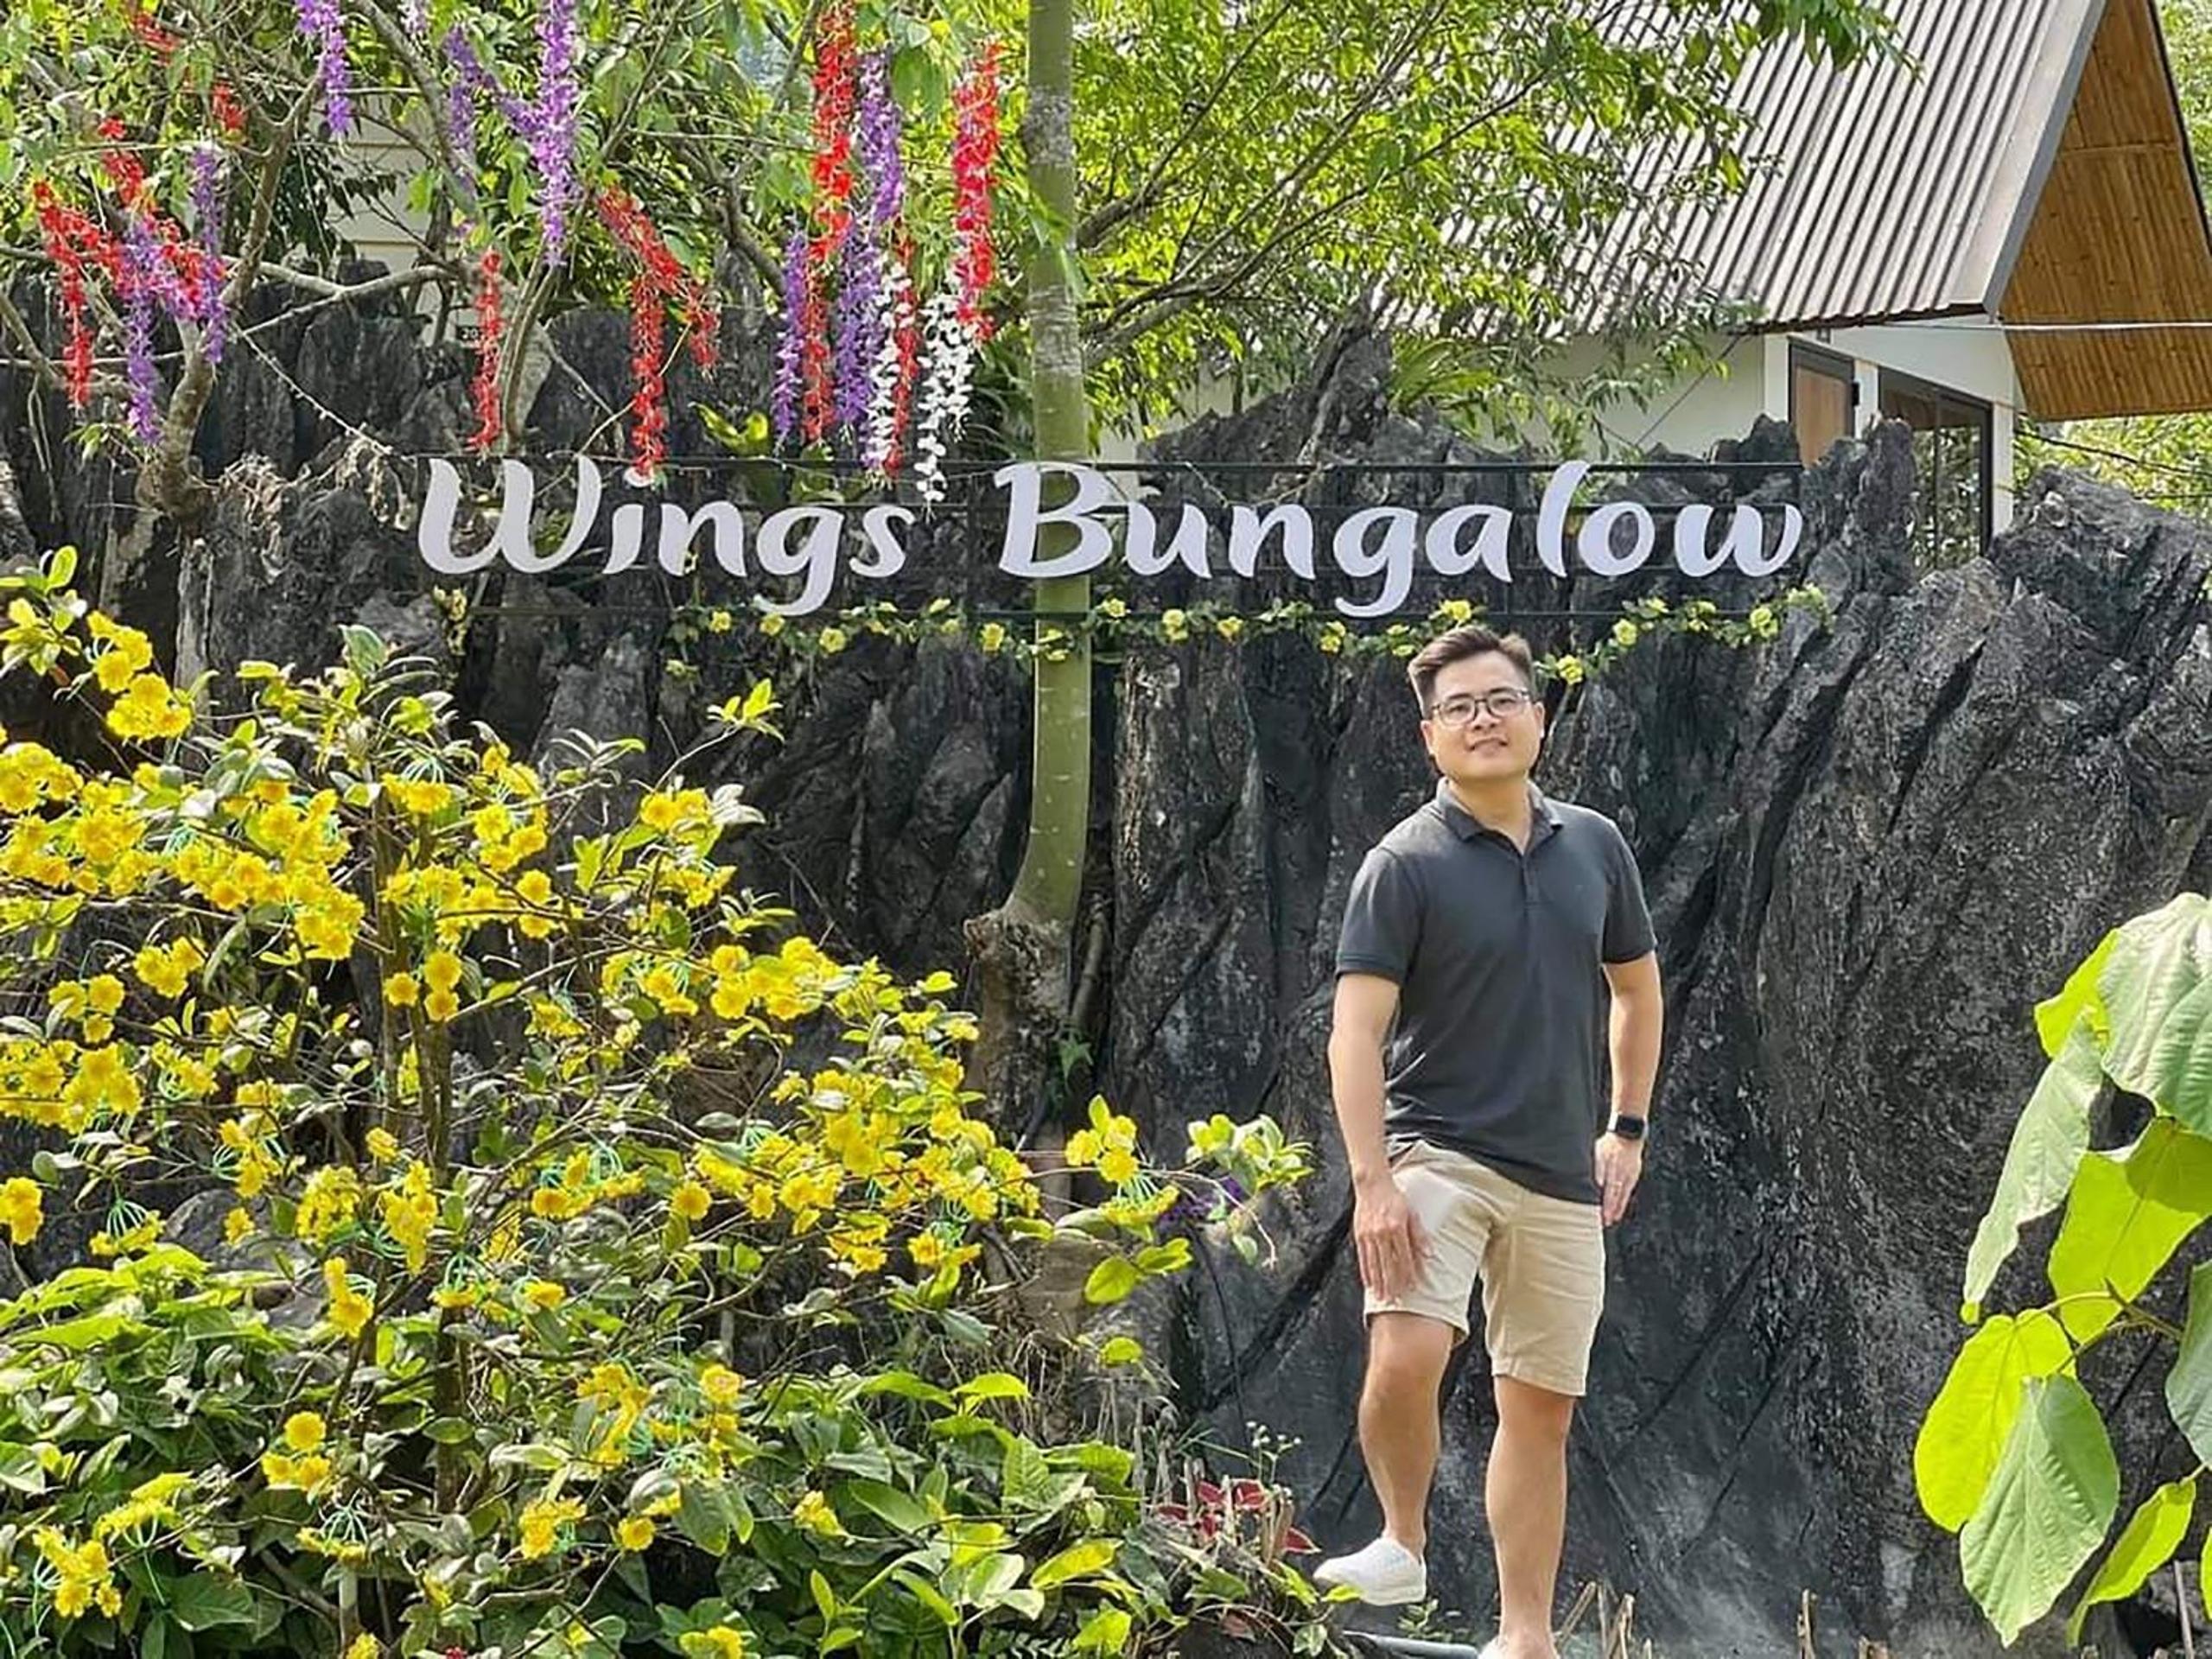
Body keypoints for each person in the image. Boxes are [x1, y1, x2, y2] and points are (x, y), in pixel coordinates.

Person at [1313, 624, 1664, 1659]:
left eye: (1501, 700)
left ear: (1538, 718)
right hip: (1437, 1152)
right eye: (1459, 708)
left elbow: (1636, 991)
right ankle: (1402, 1539)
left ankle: (1525, 1637)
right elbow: (1353, 1034)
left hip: (1560, 1177)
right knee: (1407, 1346)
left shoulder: (1594, 845)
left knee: (1540, 1409)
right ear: (1430, 737)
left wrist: (1626, 1128)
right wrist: (1372, 1185)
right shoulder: (1403, 863)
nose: (1483, 720)